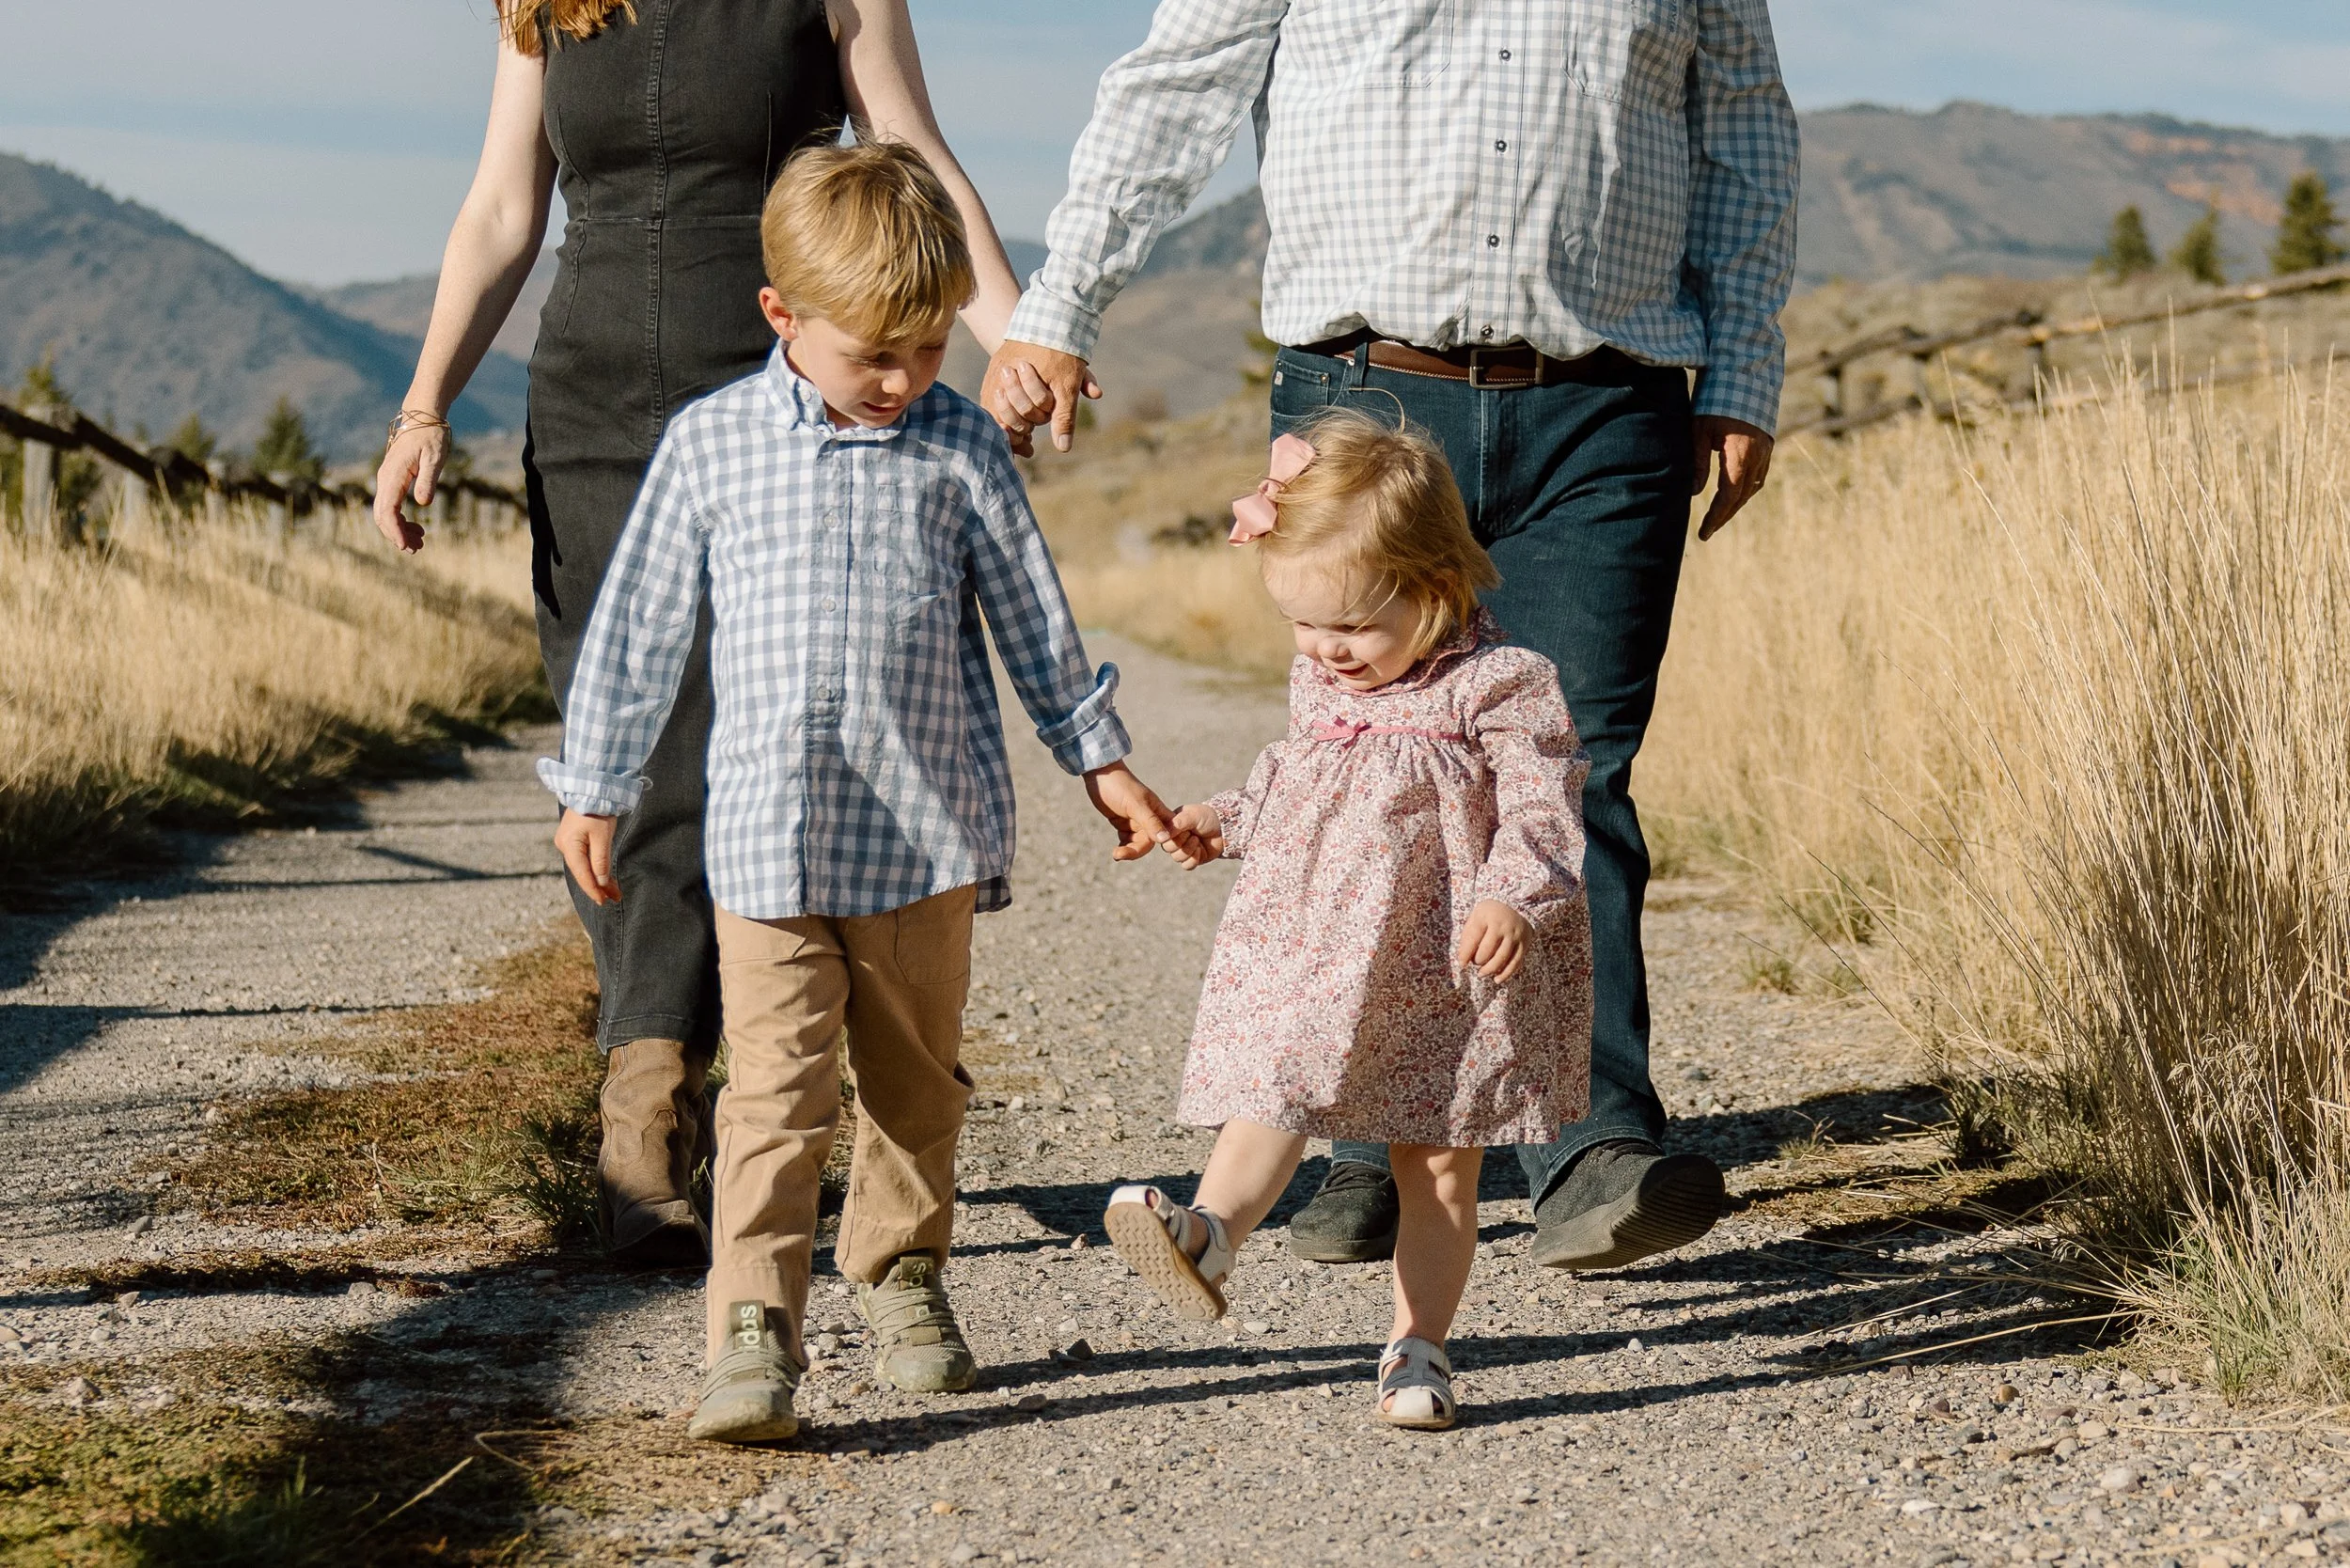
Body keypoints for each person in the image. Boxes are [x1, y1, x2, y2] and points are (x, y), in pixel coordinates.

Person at [986, 0, 1800, 1273]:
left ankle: (1592, 1149)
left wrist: (1743, 370)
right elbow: (1178, 80)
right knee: (1379, 773)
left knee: (1571, 766)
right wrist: (1062, 303)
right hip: (1367, 390)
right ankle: (1370, 1141)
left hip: (1607, 402)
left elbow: (1744, 130)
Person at [370, 0, 1031, 1268]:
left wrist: (1014, 342)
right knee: (627, 754)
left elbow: (913, 152)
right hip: (593, 403)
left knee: (756, 750)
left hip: (782, 397)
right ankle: (647, 1110)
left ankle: (758, 1103)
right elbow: (503, 208)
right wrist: (424, 406)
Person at [539, 142, 1178, 1444]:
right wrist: (595, 783)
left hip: (922, 840)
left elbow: (1034, 620)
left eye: (929, 348)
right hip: (765, 847)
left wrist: (1101, 761)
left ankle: (901, 1273)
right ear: (782, 315)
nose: (903, 379)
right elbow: (638, 628)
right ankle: (751, 1331)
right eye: (873, 355)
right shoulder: (711, 446)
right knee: (776, 1096)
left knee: (913, 1086)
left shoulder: (960, 447)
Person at [1104, 414, 1590, 1430]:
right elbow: (1301, 783)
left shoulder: (1501, 684)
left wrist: (1513, 895)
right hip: (1322, 949)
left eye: (1354, 627)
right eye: (1303, 625)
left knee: (1437, 1163)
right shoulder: (1323, 676)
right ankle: (1208, 1236)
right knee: (1276, 1080)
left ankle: (1419, 1349)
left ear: (1438, 587)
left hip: (1447, 966)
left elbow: (1543, 807)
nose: (1327, 650)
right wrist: (1223, 820)